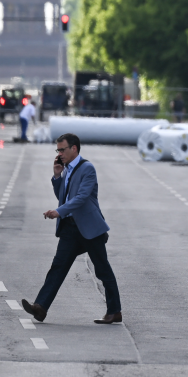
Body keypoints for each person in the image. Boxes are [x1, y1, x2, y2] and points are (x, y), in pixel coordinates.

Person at [21, 133, 122, 325]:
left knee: (102, 269)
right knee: (58, 267)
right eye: (58, 150)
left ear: (74, 148)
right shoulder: (66, 170)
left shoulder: (87, 169)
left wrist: (59, 211)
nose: (59, 154)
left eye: (62, 150)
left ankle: (114, 311)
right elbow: (63, 197)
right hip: (70, 228)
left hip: (89, 228)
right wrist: (57, 176)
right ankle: (40, 307)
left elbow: (81, 198)